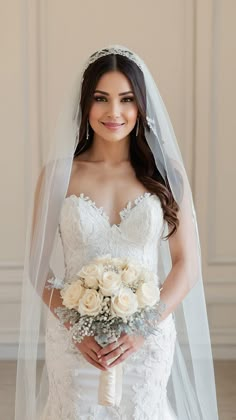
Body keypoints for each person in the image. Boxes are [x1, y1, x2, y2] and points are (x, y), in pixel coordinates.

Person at [15, 45, 219, 419]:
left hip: (146, 339)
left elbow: (186, 266)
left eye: (126, 99)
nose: (114, 112)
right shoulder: (59, 174)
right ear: (85, 104)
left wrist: (142, 329)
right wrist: (77, 327)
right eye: (101, 98)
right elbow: (37, 267)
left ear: (141, 105)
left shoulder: (166, 173)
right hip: (76, 341)